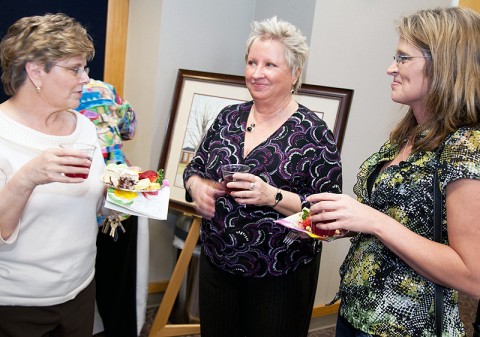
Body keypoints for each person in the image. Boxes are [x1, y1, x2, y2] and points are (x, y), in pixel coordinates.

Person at [307, 7, 480, 337]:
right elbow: (394, 221)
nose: (390, 68)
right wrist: (344, 219)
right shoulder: (410, 132)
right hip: (358, 313)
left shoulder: (466, 144)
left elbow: (472, 275)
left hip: (409, 326)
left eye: (403, 58)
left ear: (443, 63)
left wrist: (372, 220)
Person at [183, 16, 342, 337]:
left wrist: (273, 197)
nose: (256, 73)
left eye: (270, 65)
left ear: (295, 73)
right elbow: (194, 169)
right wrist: (196, 186)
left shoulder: (313, 133)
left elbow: (328, 215)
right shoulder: (228, 117)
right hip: (218, 265)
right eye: (252, 62)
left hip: (279, 275)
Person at [0, 13, 105, 337]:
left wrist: (120, 195)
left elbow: (92, 201)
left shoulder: (83, 126)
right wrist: (28, 176)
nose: (86, 78)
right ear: (35, 72)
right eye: (75, 68)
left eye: (84, 67)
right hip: (16, 306)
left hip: (80, 292)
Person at [75, 79, 139, 337]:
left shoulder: (49, 101)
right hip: (117, 203)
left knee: (79, 293)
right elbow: (130, 127)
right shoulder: (104, 90)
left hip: (82, 209)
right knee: (117, 295)